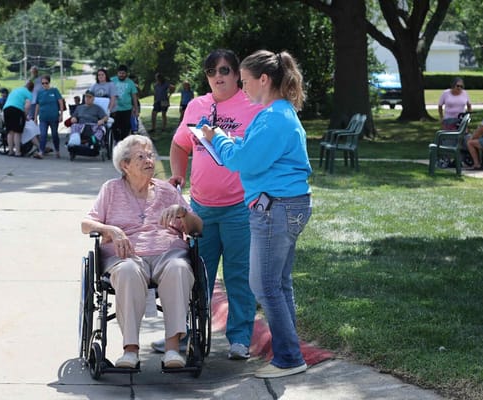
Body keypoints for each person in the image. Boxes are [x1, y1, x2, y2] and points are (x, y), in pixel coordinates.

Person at [202, 50, 312, 379]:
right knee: (278, 284)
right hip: (283, 205)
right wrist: (230, 142)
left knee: (263, 285)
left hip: (274, 208)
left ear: (264, 80)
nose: (243, 87)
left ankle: (289, 358)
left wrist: (219, 138)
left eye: (246, 81)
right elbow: (253, 153)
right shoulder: (276, 113)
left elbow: (243, 163)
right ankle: (289, 353)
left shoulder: (274, 117)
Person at [153, 49, 262, 361]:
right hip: (201, 208)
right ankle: (183, 334)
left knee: (239, 275)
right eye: (212, 70)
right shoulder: (197, 106)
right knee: (195, 275)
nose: (219, 76)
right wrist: (176, 174)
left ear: (237, 74)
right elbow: (179, 144)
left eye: (225, 70)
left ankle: (240, 339)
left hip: (240, 207)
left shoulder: (252, 107)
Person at [81, 134, 203, 369]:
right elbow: (86, 224)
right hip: (126, 256)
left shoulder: (167, 191)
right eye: (141, 156)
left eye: (150, 155)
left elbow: (198, 228)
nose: (149, 160)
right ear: (125, 165)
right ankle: (130, 350)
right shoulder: (111, 189)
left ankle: (172, 349)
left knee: (179, 268)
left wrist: (183, 213)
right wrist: (111, 230)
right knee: (127, 271)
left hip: (168, 254)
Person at [34, 75, 64, 159]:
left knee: (54, 134)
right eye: (42, 83)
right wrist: (35, 117)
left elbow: (60, 102)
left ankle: (57, 150)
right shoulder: (40, 92)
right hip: (43, 117)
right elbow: (37, 105)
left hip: (54, 117)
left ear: (49, 82)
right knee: (43, 135)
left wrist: (61, 114)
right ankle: (41, 152)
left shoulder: (54, 91)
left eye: (46, 83)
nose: (44, 85)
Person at [2, 81, 33, 157]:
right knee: (17, 132)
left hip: (6, 109)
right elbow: (27, 106)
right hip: (17, 110)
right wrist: (25, 116)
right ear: (32, 89)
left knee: (10, 131)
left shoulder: (15, 90)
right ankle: (18, 152)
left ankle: (11, 151)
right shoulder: (29, 93)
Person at [111, 65, 139, 142]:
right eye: (120, 73)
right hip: (114, 109)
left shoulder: (130, 83)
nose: (121, 75)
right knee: (114, 127)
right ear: (117, 73)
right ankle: (116, 141)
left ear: (126, 73)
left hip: (126, 109)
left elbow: (134, 97)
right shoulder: (112, 80)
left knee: (126, 128)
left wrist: (136, 109)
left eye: (123, 73)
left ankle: (122, 143)